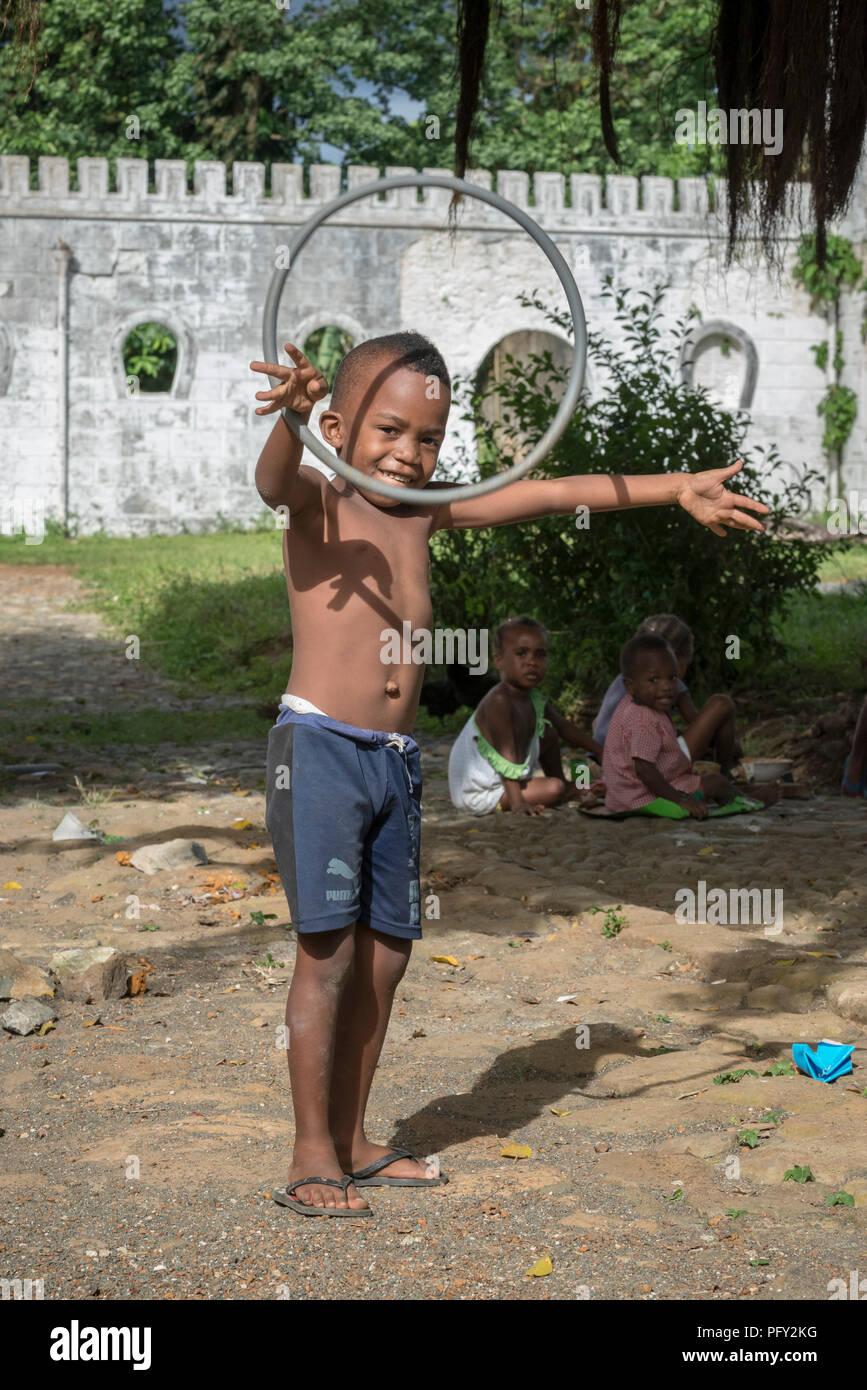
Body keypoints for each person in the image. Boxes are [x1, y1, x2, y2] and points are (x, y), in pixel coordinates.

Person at [250, 330, 769, 1216]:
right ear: (338, 423)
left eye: (427, 439)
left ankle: (353, 1139)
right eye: (386, 432)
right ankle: (308, 1155)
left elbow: (550, 491)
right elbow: (272, 482)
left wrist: (672, 488)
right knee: (327, 957)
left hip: (391, 761)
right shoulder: (318, 500)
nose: (409, 455)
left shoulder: (422, 511)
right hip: (322, 752)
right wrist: (290, 425)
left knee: (385, 960)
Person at [448, 615, 602, 815]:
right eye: (521, 654)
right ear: (499, 660)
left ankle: (570, 786)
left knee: (548, 732)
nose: (532, 662)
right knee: (554, 789)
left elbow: (563, 727)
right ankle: (556, 791)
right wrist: (518, 805)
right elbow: (507, 756)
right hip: (480, 792)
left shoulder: (532, 697)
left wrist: (599, 750)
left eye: (540, 654)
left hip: (507, 779)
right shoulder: (499, 702)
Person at [603, 634, 742, 818]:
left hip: (623, 796)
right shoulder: (642, 719)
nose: (667, 686)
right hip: (642, 799)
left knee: (713, 782)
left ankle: (737, 792)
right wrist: (680, 799)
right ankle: (750, 801)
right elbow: (644, 770)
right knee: (717, 784)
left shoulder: (637, 705)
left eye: (672, 678)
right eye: (654, 680)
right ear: (630, 686)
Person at [594, 613, 740, 772]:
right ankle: (726, 775)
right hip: (643, 768)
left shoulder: (626, 679)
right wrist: (729, 744)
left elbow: (598, 725)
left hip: (607, 763)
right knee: (721, 704)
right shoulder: (670, 680)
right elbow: (700, 725)